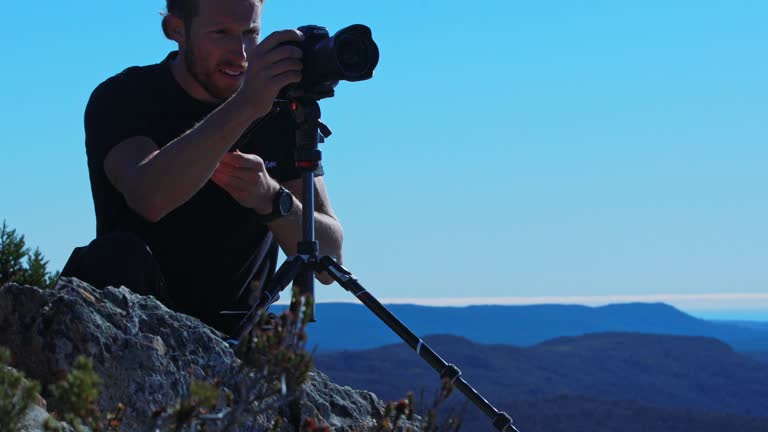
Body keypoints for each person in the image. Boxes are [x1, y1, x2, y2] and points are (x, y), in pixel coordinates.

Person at [61, 0, 344, 337]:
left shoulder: (280, 113)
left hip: (236, 333)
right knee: (115, 256)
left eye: (250, 33)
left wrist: (271, 197)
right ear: (176, 30)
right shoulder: (126, 96)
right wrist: (246, 106)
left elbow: (330, 259)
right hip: (133, 324)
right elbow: (149, 196)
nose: (240, 53)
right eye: (221, 33)